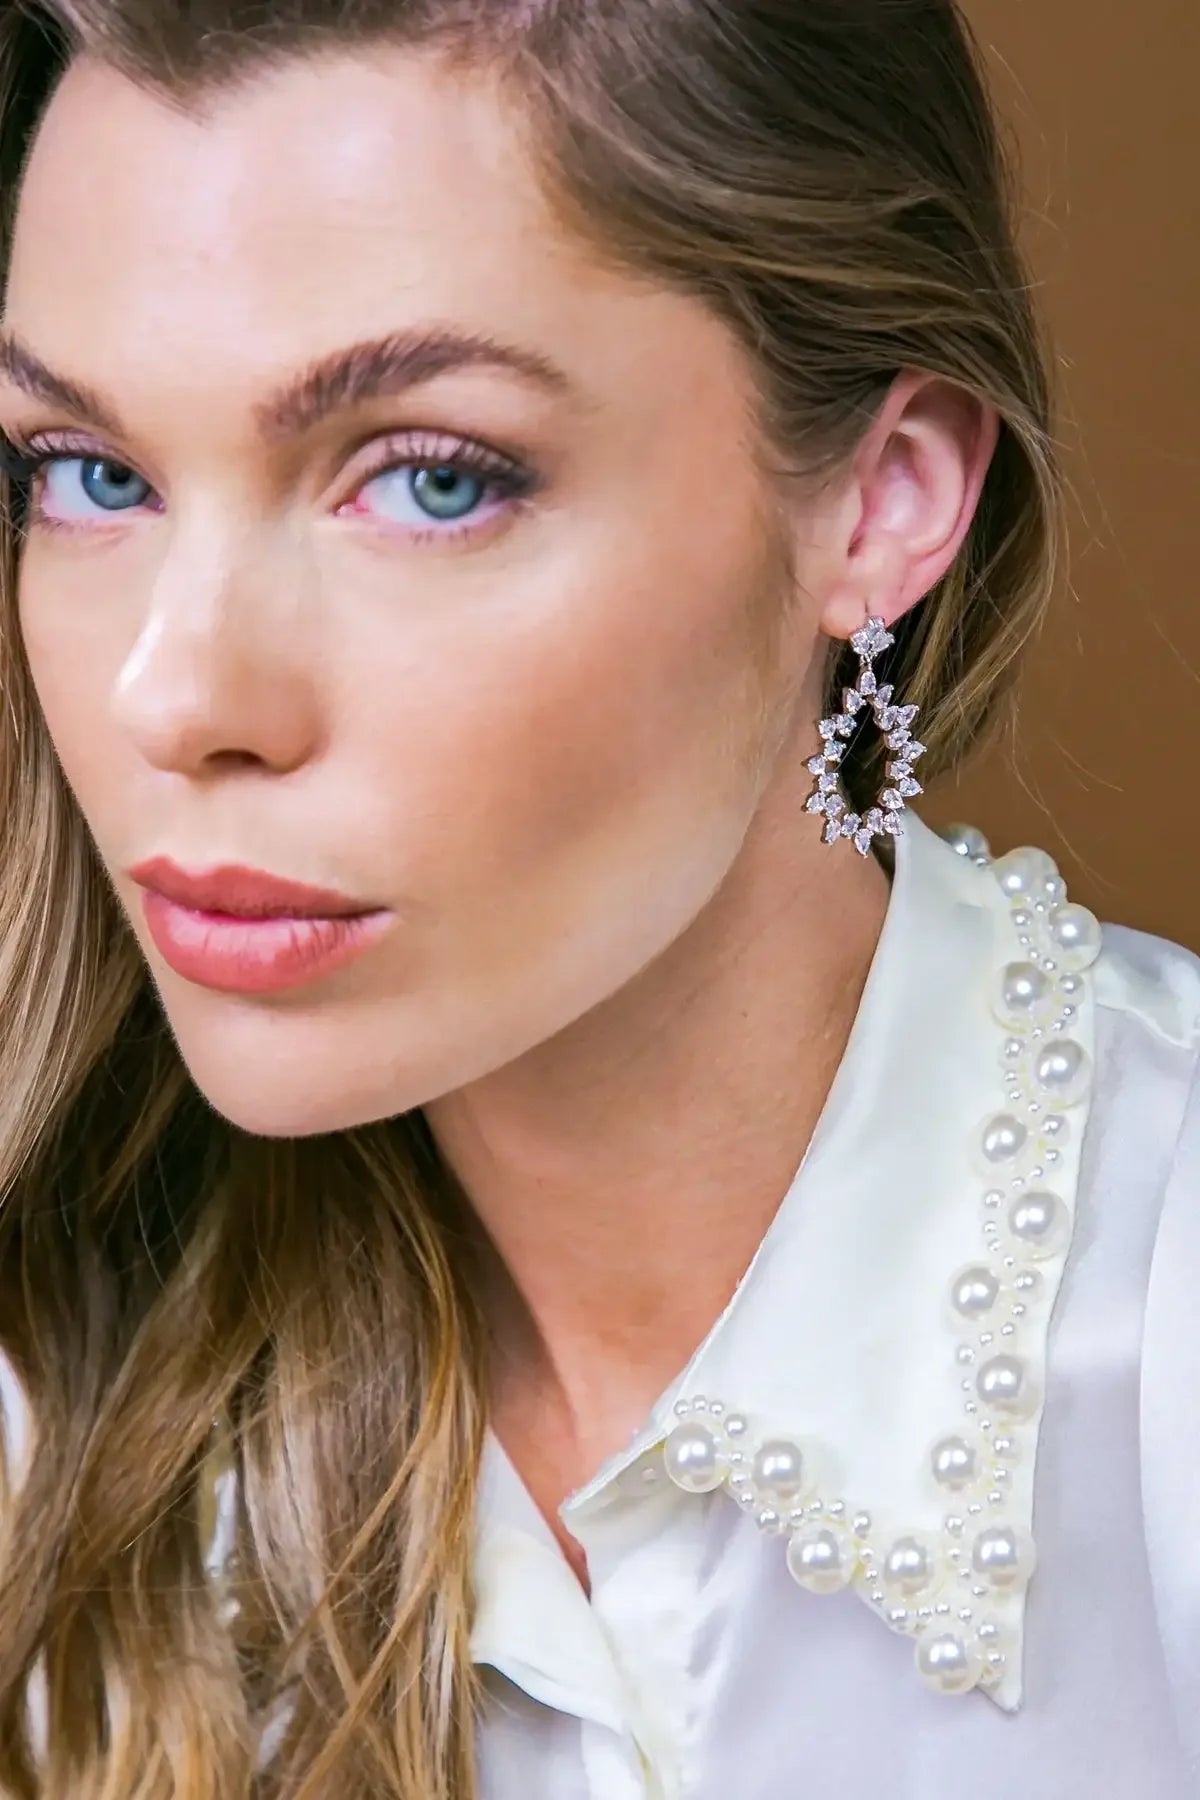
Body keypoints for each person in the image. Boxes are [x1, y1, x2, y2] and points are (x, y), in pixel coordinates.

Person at [0, 0, 1195, 1794]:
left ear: (883, 497)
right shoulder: (64, 1376)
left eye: (428, 478)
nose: (177, 699)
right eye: (87, 477)